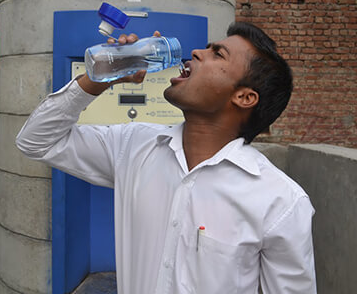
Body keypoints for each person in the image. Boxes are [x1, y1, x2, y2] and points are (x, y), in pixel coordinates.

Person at [16, 22, 317, 294]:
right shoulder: (133, 146)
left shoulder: (280, 202)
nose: (197, 52)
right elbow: (36, 141)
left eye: (218, 54)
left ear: (244, 97)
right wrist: (99, 79)